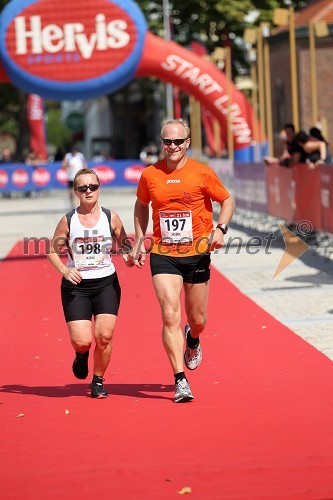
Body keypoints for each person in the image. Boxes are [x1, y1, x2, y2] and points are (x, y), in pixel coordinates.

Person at [132, 118, 235, 403]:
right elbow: (141, 205)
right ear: (162, 143)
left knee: (198, 319)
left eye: (178, 141)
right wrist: (140, 240)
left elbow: (227, 200)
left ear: (188, 142)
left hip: (198, 252)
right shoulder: (150, 175)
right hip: (164, 254)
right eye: (168, 141)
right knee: (169, 313)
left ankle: (193, 338)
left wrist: (221, 228)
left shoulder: (202, 173)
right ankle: (180, 380)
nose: (173, 146)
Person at [47, 168, 133, 399]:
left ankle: (97, 380)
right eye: (83, 188)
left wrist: (127, 255)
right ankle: (81, 354)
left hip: (106, 283)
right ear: (75, 191)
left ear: (99, 188)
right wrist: (65, 270)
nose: (88, 191)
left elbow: (124, 245)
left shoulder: (110, 217)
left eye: (92, 187)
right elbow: (52, 252)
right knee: (82, 341)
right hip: (77, 287)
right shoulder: (68, 220)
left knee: (104, 337)